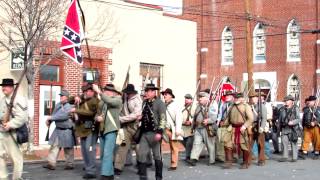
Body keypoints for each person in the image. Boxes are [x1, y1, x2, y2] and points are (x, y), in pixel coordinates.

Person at [137, 83, 166, 180]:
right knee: (141, 154)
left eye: (149, 91)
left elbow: (163, 119)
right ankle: (143, 176)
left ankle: (158, 177)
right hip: (144, 133)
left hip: (155, 133)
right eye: (146, 91)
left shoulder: (159, 103)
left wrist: (160, 132)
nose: (147, 93)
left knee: (157, 156)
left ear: (154, 92)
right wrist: (141, 118)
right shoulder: (144, 102)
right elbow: (145, 115)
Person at [93, 84, 122, 180]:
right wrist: (97, 118)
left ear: (113, 92)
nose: (106, 92)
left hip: (111, 129)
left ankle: (105, 175)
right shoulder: (103, 101)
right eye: (105, 90)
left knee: (107, 153)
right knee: (103, 154)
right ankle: (110, 174)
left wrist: (99, 92)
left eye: (107, 91)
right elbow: (97, 114)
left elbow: (109, 101)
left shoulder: (117, 100)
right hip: (102, 130)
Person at [70, 84, 100, 179]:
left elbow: (92, 113)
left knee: (89, 149)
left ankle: (91, 171)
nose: (88, 92)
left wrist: (77, 110)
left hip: (91, 128)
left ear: (93, 92)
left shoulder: (95, 101)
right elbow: (68, 100)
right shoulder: (82, 98)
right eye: (86, 91)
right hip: (82, 128)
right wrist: (76, 97)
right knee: (84, 150)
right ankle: (88, 167)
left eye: (90, 91)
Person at [0, 78, 28, 180]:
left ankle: (16, 178)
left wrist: (10, 124)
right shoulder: (3, 100)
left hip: (13, 133)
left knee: (16, 159)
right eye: (3, 86)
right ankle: (2, 177)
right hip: (2, 133)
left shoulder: (19, 99)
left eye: (6, 86)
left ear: (12, 87)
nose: (3, 88)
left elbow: (22, 117)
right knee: (0, 156)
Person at [43, 90, 75, 170]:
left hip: (67, 130)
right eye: (60, 96)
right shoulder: (58, 105)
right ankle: (51, 163)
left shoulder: (70, 106)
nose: (61, 97)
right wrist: (49, 121)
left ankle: (69, 164)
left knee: (68, 148)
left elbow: (63, 116)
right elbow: (54, 114)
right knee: (54, 146)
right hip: (58, 129)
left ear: (67, 98)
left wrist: (51, 118)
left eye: (62, 96)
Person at [114, 84, 142, 175]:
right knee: (121, 146)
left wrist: (121, 119)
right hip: (125, 126)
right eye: (126, 93)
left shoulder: (138, 100)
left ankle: (141, 167)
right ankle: (118, 167)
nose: (127, 94)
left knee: (138, 148)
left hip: (135, 126)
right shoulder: (124, 98)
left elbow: (135, 115)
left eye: (128, 93)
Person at [222, 92, 253, 169]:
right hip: (232, 128)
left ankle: (245, 162)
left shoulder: (246, 106)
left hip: (242, 128)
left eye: (238, 98)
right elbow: (228, 118)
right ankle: (229, 162)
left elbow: (251, 118)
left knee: (244, 146)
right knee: (228, 145)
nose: (236, 99)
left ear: (242, 98)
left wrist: (245, 126)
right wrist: (224, 124)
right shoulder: (232, 106)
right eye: (235, 98)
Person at [187, 91, 216, 166]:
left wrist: (208, 120)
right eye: (199, 97)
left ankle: (212, 160)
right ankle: (193, 159)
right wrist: (192, 127)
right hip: (198, 128)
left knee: (210, 144)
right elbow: (195, 117)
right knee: (196, 143)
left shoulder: (211, 106)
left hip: (207, 128)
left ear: (206, 98)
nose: (200, 99)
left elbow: (214, 118)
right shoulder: (198, 107)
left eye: (202, 97)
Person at [161, 88, 183, 171]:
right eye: (164, 94)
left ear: (170, 96)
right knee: (159, 145)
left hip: (172, 129)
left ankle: (174, 164)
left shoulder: (176, 106)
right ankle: (159, 162)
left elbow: (179, 118)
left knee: (174, 147)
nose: (164, 96)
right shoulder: (162, 105)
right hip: (163, 128)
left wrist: (178, 130)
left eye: (166, 94)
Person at [278, 95, 301, 162]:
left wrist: (293, 122)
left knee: (293, 143)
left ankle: (294, 157)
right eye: (285, 101)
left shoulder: (295, 108)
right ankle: (285, 156)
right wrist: (279, 128)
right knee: (284, 142)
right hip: (284, 128)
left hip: (293, 128)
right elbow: (280, 119)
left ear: (291, 101)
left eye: (287, 100)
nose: (286, 102)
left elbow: (298, 119)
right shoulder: (282, 109)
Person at [249, 92, 267, 166]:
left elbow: (264, 118)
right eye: (252, 98)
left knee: (260, 144)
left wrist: (262, 127)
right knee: (249, 144)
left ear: (257, 98)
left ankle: (261, 160)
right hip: (252, 126)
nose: (253, 99)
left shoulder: (262, 106)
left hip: (259, 126)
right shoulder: (251, 106)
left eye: (254, 97)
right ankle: (248, 159)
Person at [216, 91, 234, 162]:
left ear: (232, 97)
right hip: (223, 123)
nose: (227, 97)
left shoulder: (233, 105)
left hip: (231, 124)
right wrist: (218, 122)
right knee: (223, 140)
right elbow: (220, 114)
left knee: (231, 141)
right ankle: (224, 156)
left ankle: (233, 156)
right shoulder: (223, 104)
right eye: (226, 96)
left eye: (229, 96)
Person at [301, 95, 320, 159]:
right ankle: (304, 152)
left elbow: (319, 117)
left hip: (315, 127)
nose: (309, 102)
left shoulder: (317, 109)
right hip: (307, 126)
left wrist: (314, 122)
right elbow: (304, 118)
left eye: (311, 101)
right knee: (306, 139)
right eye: (309, 101)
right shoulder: (306, 109)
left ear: (314, 101)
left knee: (317, 140)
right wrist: (303, 125)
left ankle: (316, 153)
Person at [181, 94, 195, 161]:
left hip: (190, 128)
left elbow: (195, 117)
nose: (186, 99)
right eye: (186, 98)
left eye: (188, 98)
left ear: (191, 100)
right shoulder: (183, 107)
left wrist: (190, 121)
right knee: (183, 141)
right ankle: (189, 154)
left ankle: (188, 156)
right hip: (183, 127)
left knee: (189, 143)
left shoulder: (194, 107)